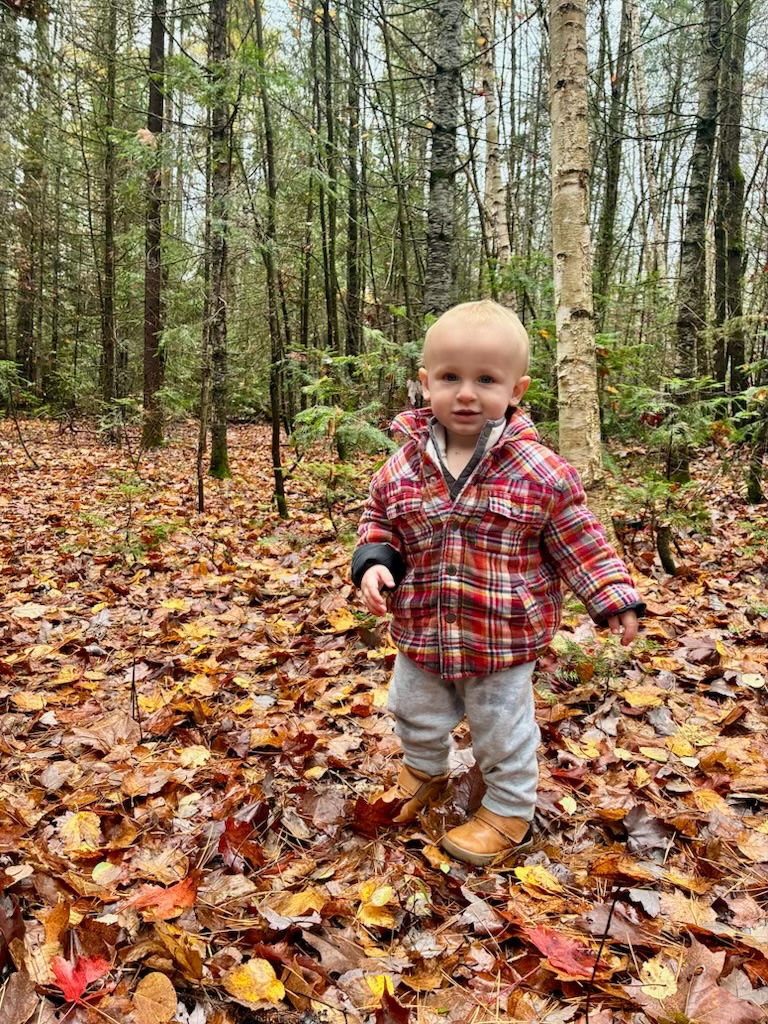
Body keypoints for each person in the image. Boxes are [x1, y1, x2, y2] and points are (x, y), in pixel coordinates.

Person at [351, 299, 644, 866]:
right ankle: (424, 774)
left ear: (516, 389)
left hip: (502, 637)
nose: (466, 393)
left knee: (501, 731)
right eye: (450, 377)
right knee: (413, 709)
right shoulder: (402, 467)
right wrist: (375, 560)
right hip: (422, 628)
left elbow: (579, 539)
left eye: (486, 379)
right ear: (425, 383)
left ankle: (510, 808)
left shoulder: (540, 471)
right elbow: (378, 519)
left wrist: (612, 596)